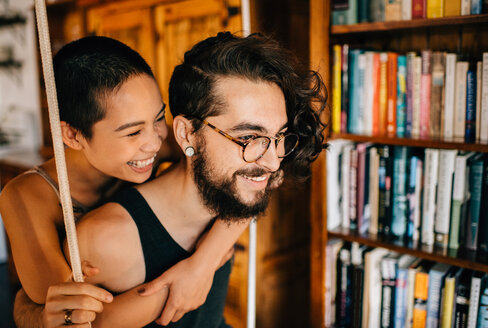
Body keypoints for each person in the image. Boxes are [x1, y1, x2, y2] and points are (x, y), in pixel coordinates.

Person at [72, 31, 327, 327]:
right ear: (187, 134)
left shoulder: (234, 185)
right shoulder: (106, 241)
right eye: (248, 137)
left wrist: (203, 264)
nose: (271, 162)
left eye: (279, 136)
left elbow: (274, 176)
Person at [0, 36, 247, 328]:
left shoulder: (161, 144)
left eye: (157, 118)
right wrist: (193, 274)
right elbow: (74, 315)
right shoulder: (26, 196)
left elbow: (252, 168)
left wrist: (203, 262)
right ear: (72, 135)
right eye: (132, 133)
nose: (154, 142)